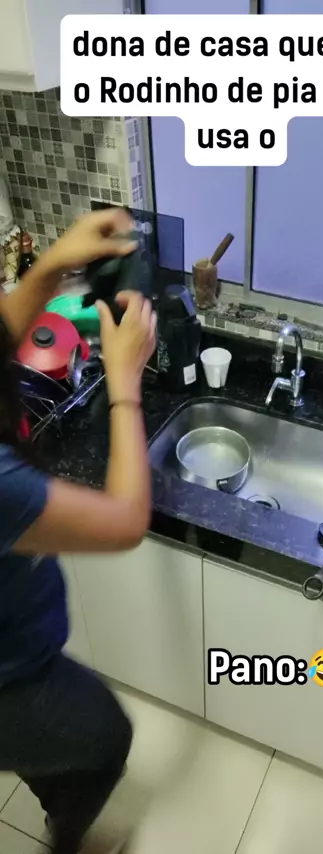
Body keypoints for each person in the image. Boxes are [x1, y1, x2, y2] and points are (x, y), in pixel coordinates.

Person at [0, 208, 157, 854]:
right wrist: (124, 384)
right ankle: (68, 843)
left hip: (16, 647)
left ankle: (48, 786)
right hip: (11, 679)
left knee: (49, 751)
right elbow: (125, 522)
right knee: (104, 740)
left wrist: (50, 265)